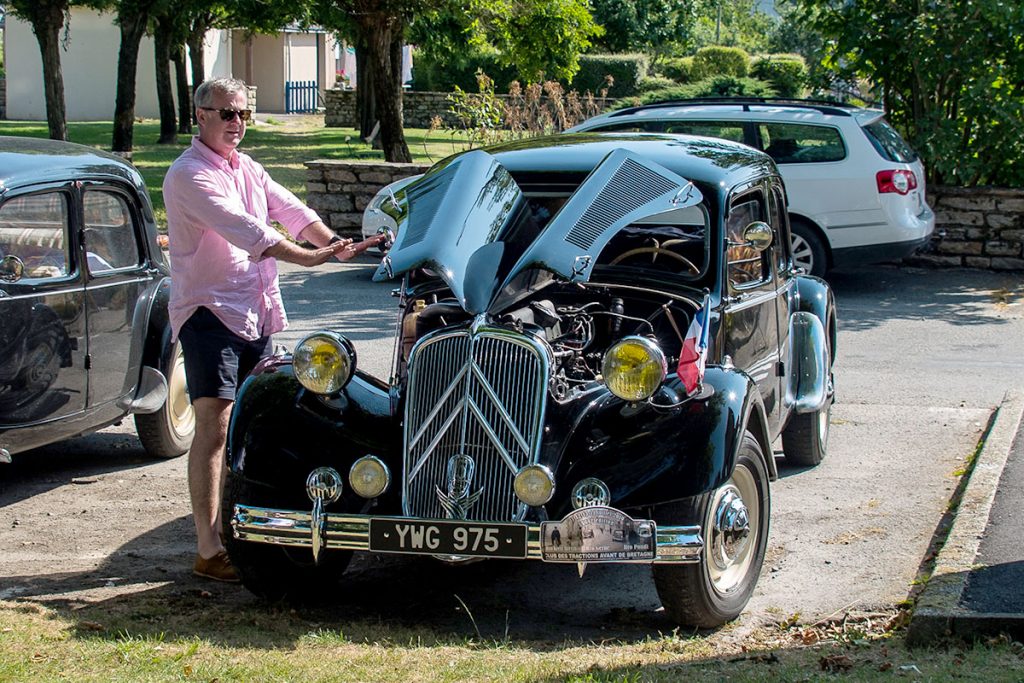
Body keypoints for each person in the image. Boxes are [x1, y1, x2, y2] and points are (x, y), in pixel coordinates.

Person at [163, 77, 381, 582]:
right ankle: (208, 546)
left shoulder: (248, 168)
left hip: (252, 310)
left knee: (251, 422)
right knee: (215, 426)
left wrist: (336, 243)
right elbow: (250, 231)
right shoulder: (189, 175)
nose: (236, 123)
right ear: (200, 116)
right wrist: (310, 257)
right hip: (209, 313)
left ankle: (241, 533)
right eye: (226, 114)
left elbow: (291, 211)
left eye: (242, 113)